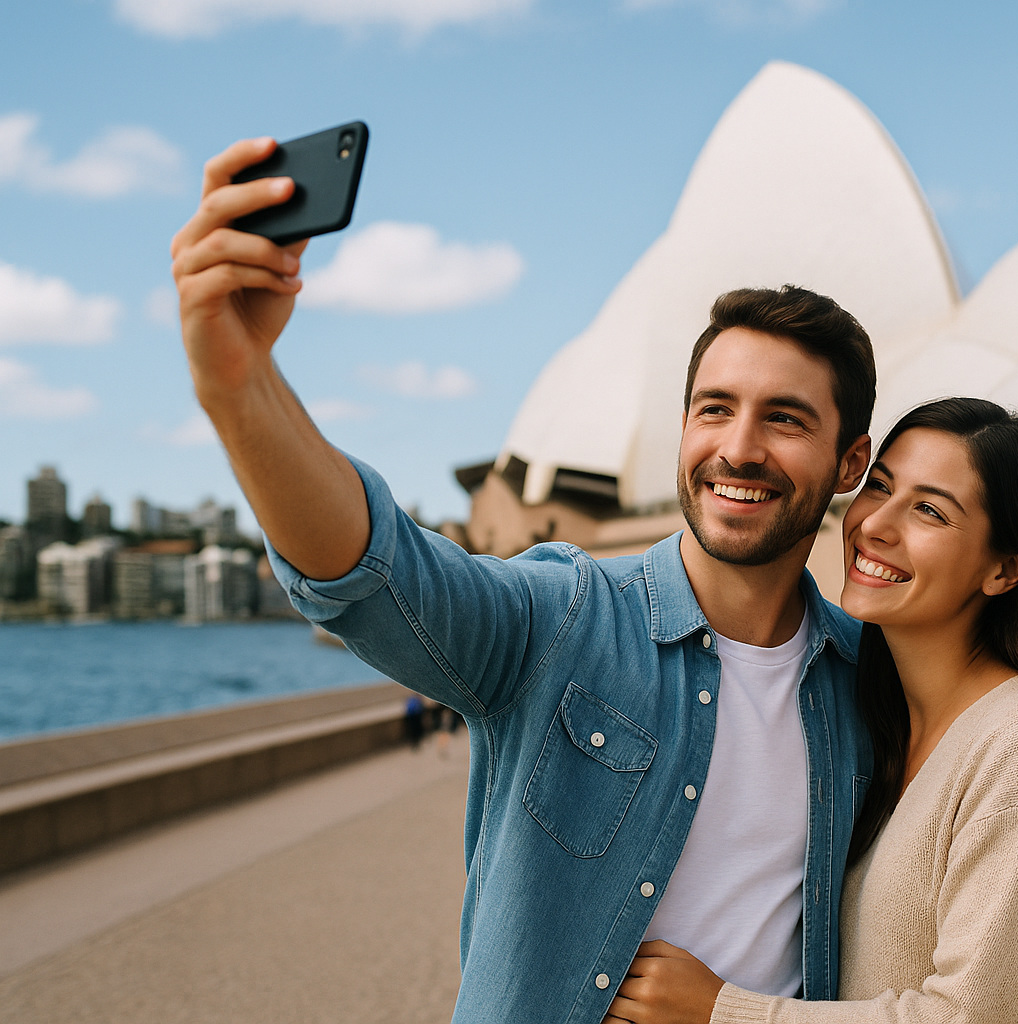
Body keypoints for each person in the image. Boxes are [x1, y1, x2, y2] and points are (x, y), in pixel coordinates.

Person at [170, 137, 876, 1023]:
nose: (738, 447)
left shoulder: (869, 683)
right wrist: (239, 389)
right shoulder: (565, 617)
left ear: (850, 461)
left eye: (785, 418)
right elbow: (373, 572)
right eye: (714, 409)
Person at [604, 399, 1018, 1024]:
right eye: (880, 487)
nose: (875, 524)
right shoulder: (872, 723)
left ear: (1004, 570)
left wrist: (719, 1011)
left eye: (930, 510)